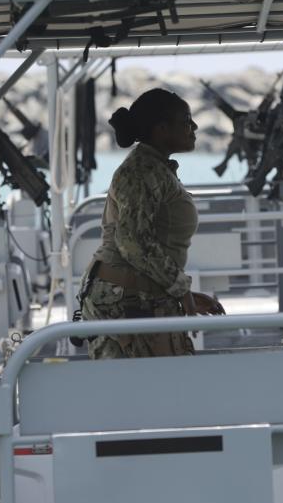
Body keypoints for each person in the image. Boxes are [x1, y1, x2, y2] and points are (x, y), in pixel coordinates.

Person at [78, 88, 224, 360]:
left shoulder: (154, 168)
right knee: (143, 392)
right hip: (125, 300)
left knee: (159, 390)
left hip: (139, 295)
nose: (194, 127)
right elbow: (133, 242)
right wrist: (180, 289)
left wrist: (183, 291)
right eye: (186, 121)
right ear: (161, 129)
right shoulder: (141, 171)